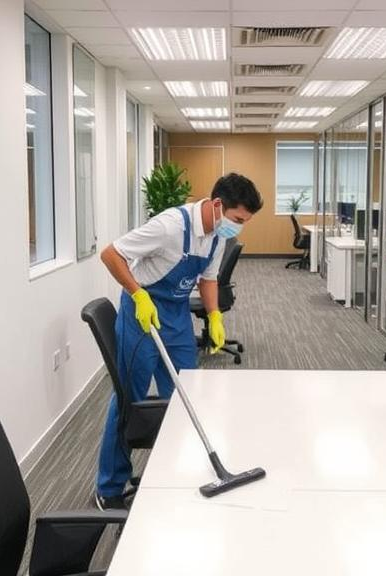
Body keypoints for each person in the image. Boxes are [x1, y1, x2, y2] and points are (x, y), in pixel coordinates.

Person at [94, 172, 263, 509]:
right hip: (142, 314)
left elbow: (208, 278)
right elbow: (112, 254)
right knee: (130, 400)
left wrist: (214, 316)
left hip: (176, 316)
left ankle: (172, 470)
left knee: (186, 396)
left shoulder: (216, 236)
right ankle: (109, 487)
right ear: (218, 205)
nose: (239, 227)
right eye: (238, 220)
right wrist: (137, 294)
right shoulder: (170, 226)